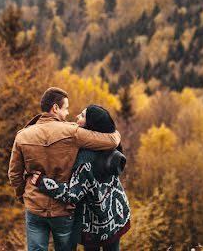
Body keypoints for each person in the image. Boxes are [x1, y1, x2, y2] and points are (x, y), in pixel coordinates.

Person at [9, 87, 122, 251]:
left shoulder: (22, 136)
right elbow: (111, 141)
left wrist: (23, 196)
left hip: (34, 206)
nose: (68, 113)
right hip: (63, 208)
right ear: (55, 108)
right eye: (66, 108)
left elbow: (14, 174)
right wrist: (115, 131)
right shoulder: (72, 133)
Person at [31, 105, 131, 251]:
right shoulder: (109, 145)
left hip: (94, 224)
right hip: (117, 214)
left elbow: (72, 194)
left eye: (82, 115)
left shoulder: (86, 159)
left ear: (91, 125)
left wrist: (43, 182)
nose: (77, 116)